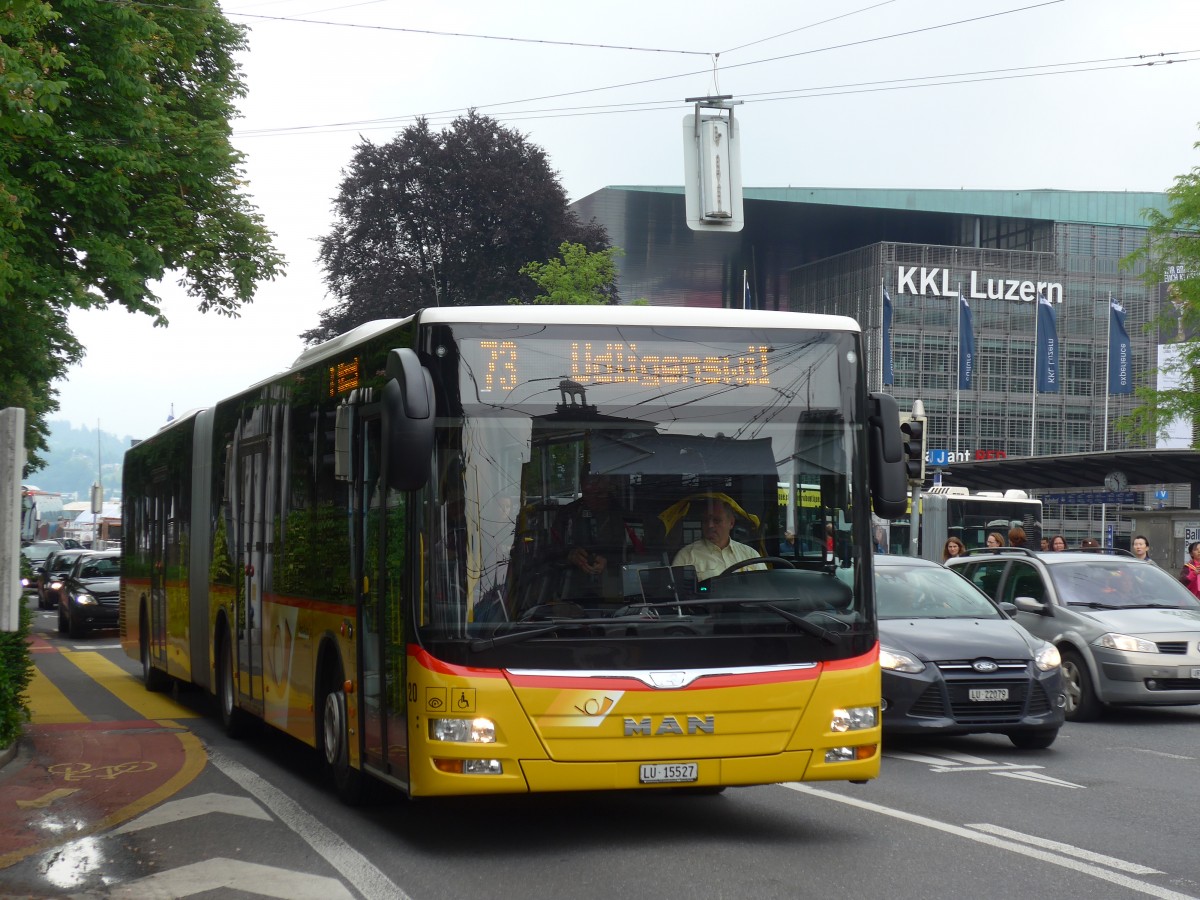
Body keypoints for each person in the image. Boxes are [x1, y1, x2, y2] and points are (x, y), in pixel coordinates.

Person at [672, 497, 763, 581]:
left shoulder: (750, 554)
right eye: (706, 520)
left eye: (716, 520)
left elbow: (764, 589)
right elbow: (677, 594)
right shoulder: (686, 556)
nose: (710, 525)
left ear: (731, 523)